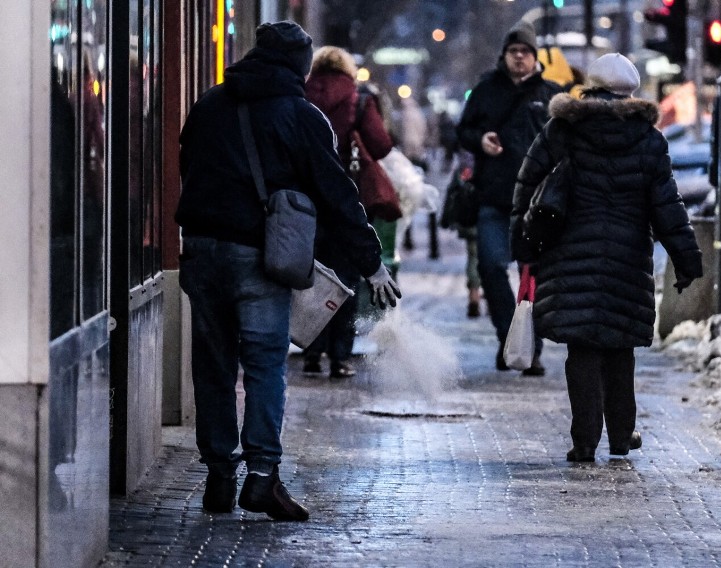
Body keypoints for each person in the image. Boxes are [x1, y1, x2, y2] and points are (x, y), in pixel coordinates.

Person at [175, 21, 401, 520]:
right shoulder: (302, 116)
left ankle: (218, 477)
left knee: (212, 366)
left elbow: (187, 164)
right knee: (262, 366)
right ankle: (260, 478)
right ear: (300, 65)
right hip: (260, 257)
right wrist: (371, 262)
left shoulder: (210, 104)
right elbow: (337, 193)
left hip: (201, 251)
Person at [510, 53, 703, 462]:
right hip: (626, 258)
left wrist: (522, 245)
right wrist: (687, 260)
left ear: (590, 86)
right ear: (630, 92)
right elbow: (667, 206)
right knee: (619, 348)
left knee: (582, 348)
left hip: (569, 255)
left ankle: (584, 442)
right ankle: (620, 437)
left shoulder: (562, 130)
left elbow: (527, 185)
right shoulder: (649, 140)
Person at [456, 19, 561, 375]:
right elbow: (464, 130)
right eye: (514, 52)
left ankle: (531, 349)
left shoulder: (550, 95)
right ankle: (507, 338)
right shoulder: (486, 90)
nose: (519, 58)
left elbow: (563, 145)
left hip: (537, 204)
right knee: (490, 268)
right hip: (495, 197)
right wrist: (480, 139)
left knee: (535, 278)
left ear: (535, 58)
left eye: (525, 52)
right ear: (504, 56)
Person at [303, 46, 395, 379]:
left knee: (313, 274)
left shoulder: (302, 94)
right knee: (346, 278)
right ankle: (340, 356)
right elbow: (382, 144)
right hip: (348, 196)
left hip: (307, 198)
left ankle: (311, 350)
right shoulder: (358, 100)